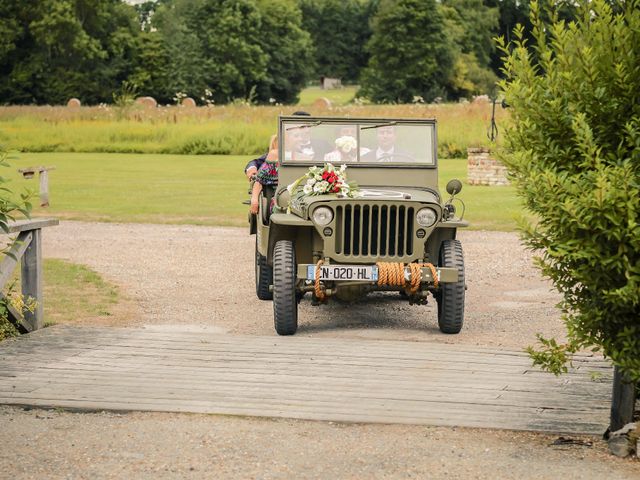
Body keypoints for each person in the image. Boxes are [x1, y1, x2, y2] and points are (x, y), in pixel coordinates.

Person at [244, 111, 311, 180]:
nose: (304, 129)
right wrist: (252, 168)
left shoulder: (318, 145)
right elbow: (259, 162)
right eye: (300, 126)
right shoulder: (286, 146)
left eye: (307, 126)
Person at [250, 135, 279, 215]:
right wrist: (254, 199)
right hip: (281, 197)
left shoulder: (306, 154)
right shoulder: (275, 154)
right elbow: (259, 180)